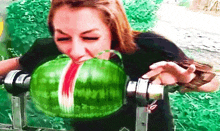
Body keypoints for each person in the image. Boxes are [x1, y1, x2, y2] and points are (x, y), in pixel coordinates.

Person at [0, 0, 219, 130]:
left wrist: (188, 81)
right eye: (63, 37)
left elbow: (213, 82)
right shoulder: (49, 50)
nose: (75, 52)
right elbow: (14, 65)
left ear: (113, 31)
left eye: (90, 38)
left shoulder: (151, 48)